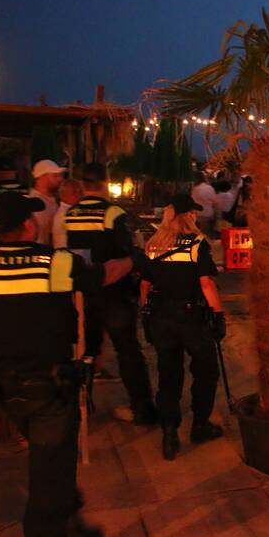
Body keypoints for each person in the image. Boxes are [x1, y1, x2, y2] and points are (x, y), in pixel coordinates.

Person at [0, 192, 132, 537]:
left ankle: (74, 527)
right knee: (48, 480)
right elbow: (102, 276)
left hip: (4, 391)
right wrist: (135, 260)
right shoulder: (52, 263)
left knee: (49, 463)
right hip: (49, 388)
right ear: (26, 227)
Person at [62, 162, 156, 424]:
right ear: (104, 182)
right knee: (128, 350)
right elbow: (127, 251)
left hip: (85, 295)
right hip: (114, 293)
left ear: (82, 183)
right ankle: (143, 410)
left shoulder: (71, 213)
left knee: (86, 351)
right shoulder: (112, 213)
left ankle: (81, 408)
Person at [140, 194, 225, 460]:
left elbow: (144, 286)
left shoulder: (153, 245)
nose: (196, 217)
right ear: (187, 216)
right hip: (192, 318)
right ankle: (200, 425)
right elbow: (207, 284)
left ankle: (169, 432)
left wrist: (146, 314)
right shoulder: (197, 244)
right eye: (193, 213)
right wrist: (218, 316)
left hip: (161, 318)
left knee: (168, 374)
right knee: (205, 370)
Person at [27, 160, 65, 246]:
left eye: (60, 175)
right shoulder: (35, 204)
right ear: (42, 177)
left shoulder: (53, 200)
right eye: (55, 176)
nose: (60, 179)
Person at [52, 178, 83, 249]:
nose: (78, 195)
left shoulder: (68, 211)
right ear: (63, 195)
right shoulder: (66, 214)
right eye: (74, 192)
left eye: (80, 192)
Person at [190, 172, 218, 237]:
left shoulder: (195, 189)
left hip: (198, 215)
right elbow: (215, 202)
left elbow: (192, 202)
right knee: (207, 234)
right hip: (209, 213)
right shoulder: (210, 188)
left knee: (200, 234)